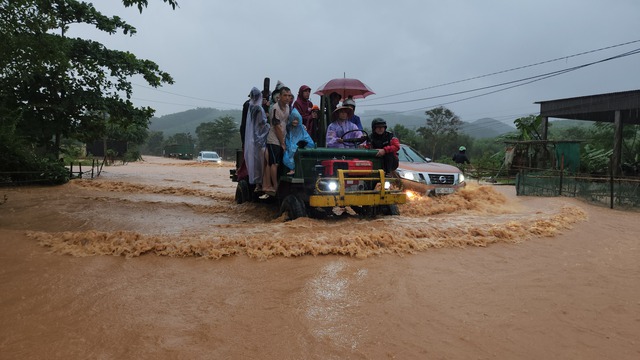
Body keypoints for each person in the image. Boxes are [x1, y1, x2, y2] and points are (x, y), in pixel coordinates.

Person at [262, 86, 291, 192]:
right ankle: (275, 186)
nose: (287, 98)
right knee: (274, 163)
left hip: (283, 137)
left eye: (289, 96)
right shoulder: (275, 108)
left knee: (282, 163)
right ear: (280, 97)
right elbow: (277, 126)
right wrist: (282, 143)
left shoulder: (288, 107)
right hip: (274, 139)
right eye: (285, 95)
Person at [244, 87, 270, 191]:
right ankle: (262, 184)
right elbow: (261, 123)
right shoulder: (258, 109)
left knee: (255, 163)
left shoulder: (250, 106)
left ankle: (257, 185)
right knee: (261, 163)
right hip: (259, 139)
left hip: (252, 139)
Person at [283, 108, 315, 175]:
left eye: (297, 120)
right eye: (294, 119)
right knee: (290, 151)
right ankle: (292, 168)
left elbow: (308, 140)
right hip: (291, 146)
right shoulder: (288, 127)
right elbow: (288, 138)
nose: (295, 121)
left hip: (300, 146)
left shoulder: (301, 128)